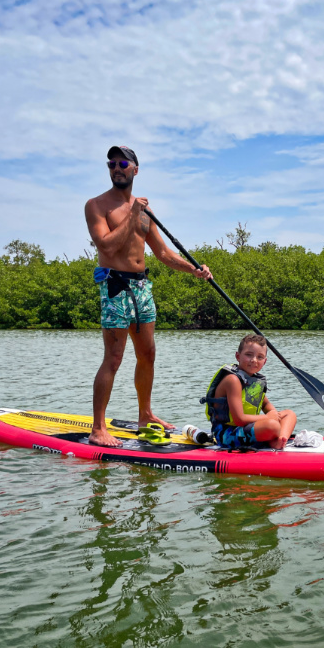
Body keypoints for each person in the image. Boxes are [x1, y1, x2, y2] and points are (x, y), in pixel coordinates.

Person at [84, 145, 212, 447]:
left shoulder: (145, 212)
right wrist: (132, 213)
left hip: (142, 287)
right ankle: (98, 428)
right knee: (114, 358)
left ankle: (145, 415)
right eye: (112, 163)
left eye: (123, 163)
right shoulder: (96, 205)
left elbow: (163, 253)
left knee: (148, 354)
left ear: (135, 170)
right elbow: (107, 246)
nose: (117, 167)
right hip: (115, 287)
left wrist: (193, 269)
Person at [201, 334, 297, 450]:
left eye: (260, 357)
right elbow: (239, 419)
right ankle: (274, 438)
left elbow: (266, 404)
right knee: (272, 425)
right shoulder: (233, 380)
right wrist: (268, 418)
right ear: (238, 356)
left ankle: (280, 439)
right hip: (227, 434)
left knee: (289, 414)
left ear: (265, 361)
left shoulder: (253, 381)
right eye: (248, 355)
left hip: (247, 428)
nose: (254, 360)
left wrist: (273, 414)